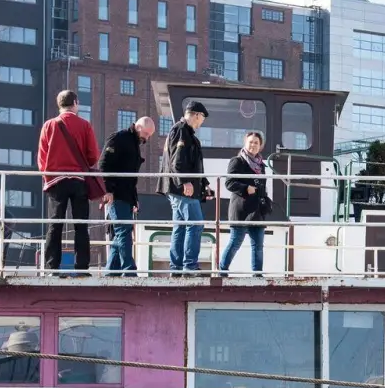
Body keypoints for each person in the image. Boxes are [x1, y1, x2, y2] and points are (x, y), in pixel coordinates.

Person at [36, 90, 100, 273]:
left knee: (55, 224)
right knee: (81, 225)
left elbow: (41, 157)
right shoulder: (84, 125)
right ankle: (81, 267)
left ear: (59, 105)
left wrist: (47, 175)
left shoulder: (49, 125)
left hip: (56, 181)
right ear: (75, 103)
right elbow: (93, 156)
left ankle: (51, 266)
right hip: (79, 180)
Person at [98, 116, 155, 275]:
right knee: (123, 231)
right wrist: (108, 190)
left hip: (126, 195)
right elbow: (103, 164)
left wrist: (134, 199)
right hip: (116, 194)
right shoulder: (119, 138)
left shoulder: (133, 143)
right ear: (138, 128)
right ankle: (129, 270)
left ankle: (111, 271)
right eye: (146, 133)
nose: (147, 138)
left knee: (120, 233)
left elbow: (131, 176)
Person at [218, 130, 272, 276]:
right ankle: (222, 271)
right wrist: (245, 188)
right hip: (241, 209)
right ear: (245, 143)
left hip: (257, 210)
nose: (253, 145)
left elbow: (261, 187)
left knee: (258, 245)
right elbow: (229, 183)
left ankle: (257, 275)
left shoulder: (261, 165)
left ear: (260, 146)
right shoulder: (237, 161)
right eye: (250, 142)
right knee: (235, 242)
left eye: (256, 143)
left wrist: (265, 200)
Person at [165, 101, 210, 274]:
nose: (201, 123)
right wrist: (185, 181)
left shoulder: (183, 131)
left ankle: (176, 266)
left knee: (181, 227)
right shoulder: (182, 130)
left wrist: (204, 184)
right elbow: (178, 161)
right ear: (197, 115)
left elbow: (190, 164)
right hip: (183, 189)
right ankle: (189, 265)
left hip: (178, 188)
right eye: (202, 119)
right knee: (195, 224)